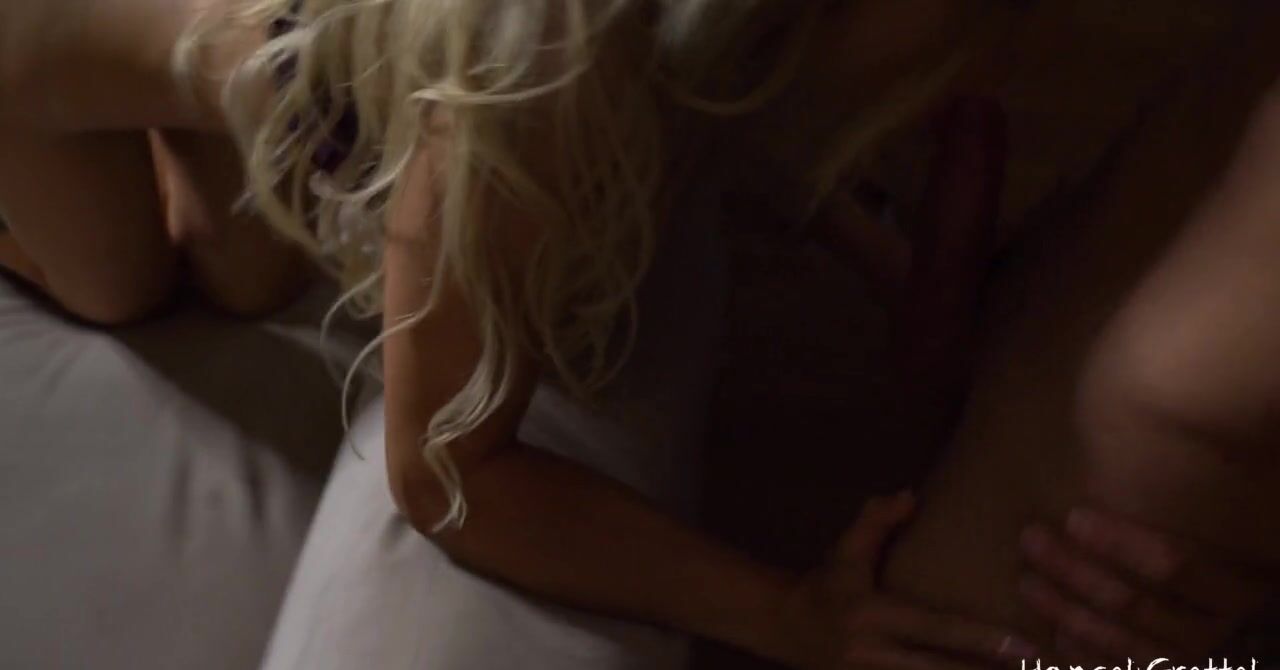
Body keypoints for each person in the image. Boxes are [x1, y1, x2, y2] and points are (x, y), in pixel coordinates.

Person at [0, 1, 1254, 667]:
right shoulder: (526, 109)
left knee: (232, 272)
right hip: (28, 63)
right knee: (124, 292)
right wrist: (784, 614)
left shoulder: (628, 56)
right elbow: (443, 477)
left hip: (273, 75)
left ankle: (200, 80)